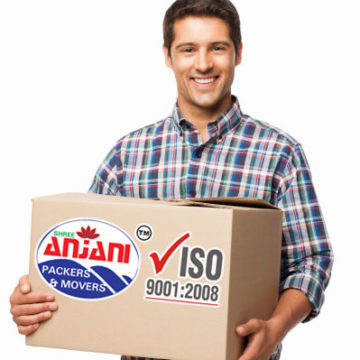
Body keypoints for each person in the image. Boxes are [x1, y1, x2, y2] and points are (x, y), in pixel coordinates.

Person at [9, 1, 333, 359]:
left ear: (238, 53)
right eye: (188, 49)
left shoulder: (279, 153)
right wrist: (34, 299)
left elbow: (312, 260)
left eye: (218, 48)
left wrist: (273, 331)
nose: (204, 63)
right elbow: (84, 251)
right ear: (168, 56)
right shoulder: (127, 155)